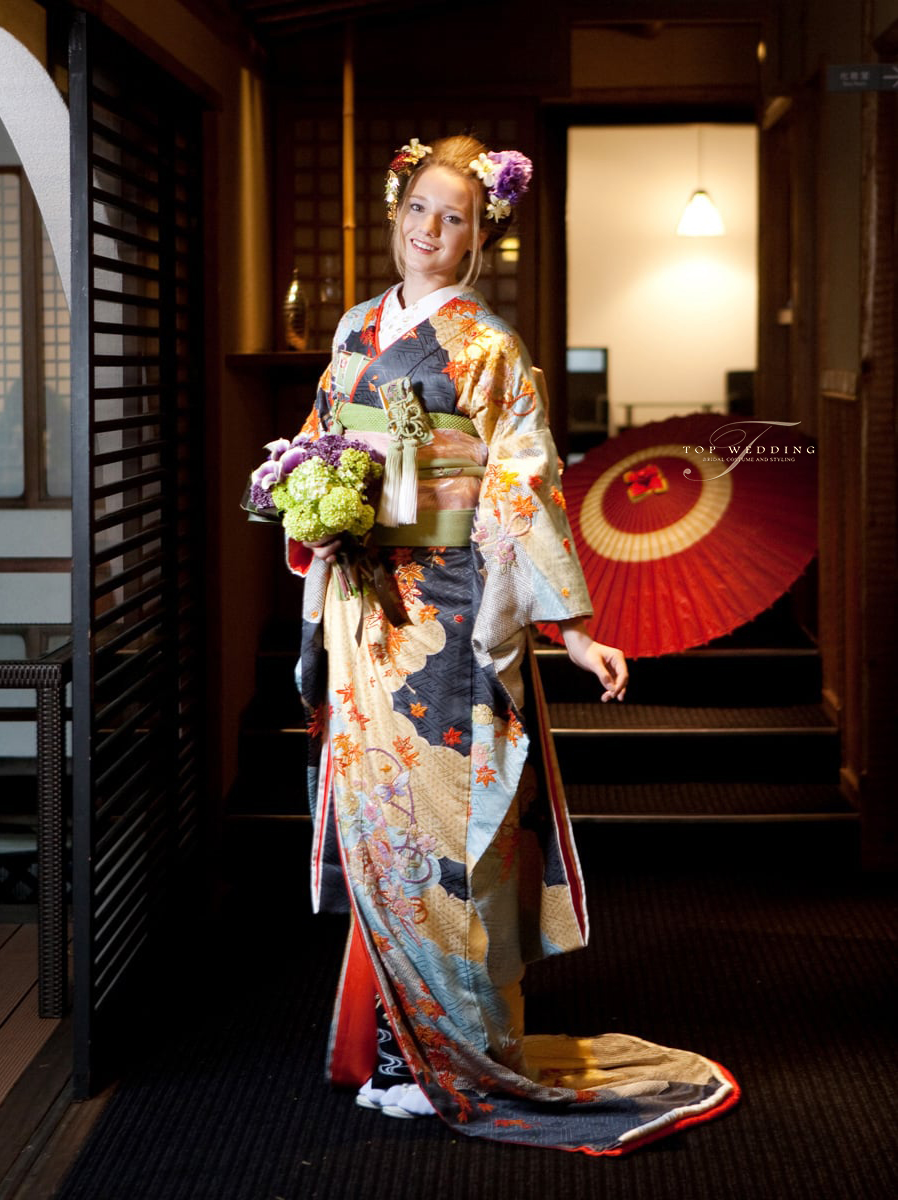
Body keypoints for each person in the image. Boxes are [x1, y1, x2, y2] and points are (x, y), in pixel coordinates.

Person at [284, 135, 738, 1151]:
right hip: (361, 601)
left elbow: (523, 485)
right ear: (396, 210)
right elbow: (320, 442)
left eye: (453, 219)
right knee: (378, 825)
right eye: (418, 209)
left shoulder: (488, 345)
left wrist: (569, 628)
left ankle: (450, 1059)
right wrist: (312, 502)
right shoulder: (356, 329)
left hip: (449, 614)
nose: (429, 231)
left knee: (450, 837)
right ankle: (395, 1053)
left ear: (477, 238)